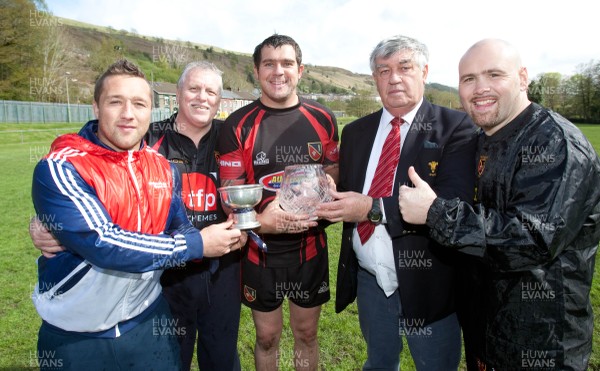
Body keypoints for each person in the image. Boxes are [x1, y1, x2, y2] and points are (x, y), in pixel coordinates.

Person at [398, 38, 600, 370]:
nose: (480, 88)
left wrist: (436, 212)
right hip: (485, 335)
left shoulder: (555, 144)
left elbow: (532, 240)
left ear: (522, 78)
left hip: (539, 342)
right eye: (468, 79)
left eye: (494, 75)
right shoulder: (480, 141)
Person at [30, 60, 245, 371]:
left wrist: (219, 237)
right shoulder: (62, 165)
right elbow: (102, 240)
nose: (128, 113)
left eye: (139, 104)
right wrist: (197, 245)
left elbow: (179, 225)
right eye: (116, 102)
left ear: (149, 109)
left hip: (146, 323)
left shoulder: (162, 167)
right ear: (95, 106)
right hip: (77, 338)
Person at [315, 34, 477, 370]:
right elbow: (347, 189)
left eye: (404, 67)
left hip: (429, 280)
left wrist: (372, 208)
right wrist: (318, 189)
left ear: (424, 71)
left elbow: (452, 203)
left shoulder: (456, 127)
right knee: (378, 363)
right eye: (383, 70)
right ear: (374, 78)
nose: (394, 78)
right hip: (371, 279)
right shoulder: (357, 131)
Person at [216, 34, 339, 370]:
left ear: (300, 70)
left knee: (307, 334)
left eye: (286, 63)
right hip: (260, 250)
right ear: (257, 71)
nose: (278, 71)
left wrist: (330, 185)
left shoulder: (324, 119)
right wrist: (259, 221)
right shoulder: (237, 125)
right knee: (267, 337)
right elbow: (230, 198)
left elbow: (332, 170)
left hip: (309, 248)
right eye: (269, 63)